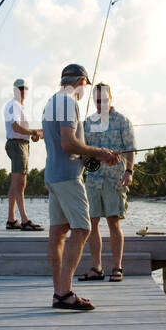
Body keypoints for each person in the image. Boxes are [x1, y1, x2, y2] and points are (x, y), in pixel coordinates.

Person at [41, 64, 119, 310]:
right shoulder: (68, 102)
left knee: (58, 233)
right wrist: (99, 151)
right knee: (83, 228)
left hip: (54, 176)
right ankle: (65, 292)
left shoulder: (51, 102)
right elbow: (68, 142)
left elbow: (64, 145)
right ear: (82, 81)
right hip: (67, 179)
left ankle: (59, 293)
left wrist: (91, 157)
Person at [81, 83, 135, 283]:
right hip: (93, 179)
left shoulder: (123, 121)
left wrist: (129, 171)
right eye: (96, 101)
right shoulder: (87, 123)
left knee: (113, 222)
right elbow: (82, 151)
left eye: (104, 100)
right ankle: (96, 268)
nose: (100, 104)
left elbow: (130, 149)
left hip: (115, 179)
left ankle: (117, 268)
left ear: (111, 98)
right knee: (92, 223)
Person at [2, 78, 43, 230]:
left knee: (15, 183)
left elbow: (22, 129)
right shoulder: (13, 105)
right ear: (14, 90)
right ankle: (25, 220)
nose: (23, 90)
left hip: (22, 144)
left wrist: (34, 134)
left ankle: (11, 219)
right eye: (20, 88)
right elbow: (16, 127)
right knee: (20, 183)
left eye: (25, 88)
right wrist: (33, 132)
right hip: (17, 145)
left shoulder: (20, 106)